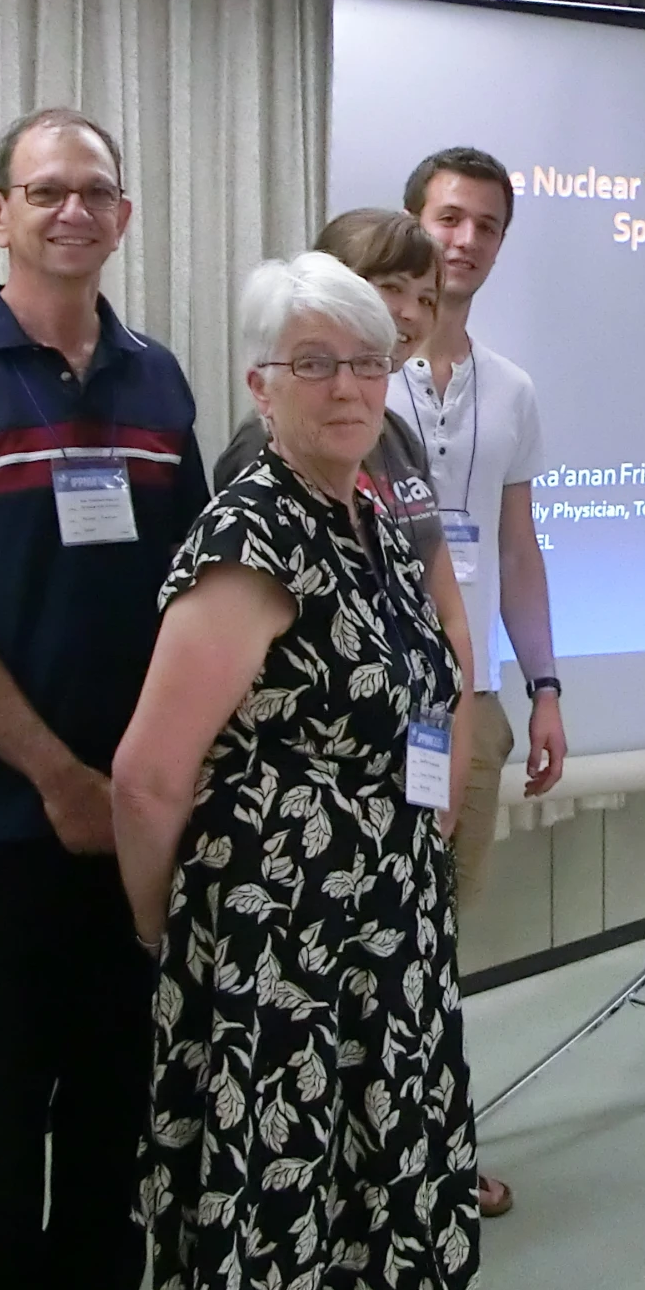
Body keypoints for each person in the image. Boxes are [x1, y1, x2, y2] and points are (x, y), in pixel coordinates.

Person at [114, 254, 480, 1290]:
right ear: (260, 387)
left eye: (368, 363)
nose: (348, 387)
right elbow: (145, 778)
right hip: (281, 946)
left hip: (386, 929)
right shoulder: (251, 534)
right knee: (289, 1210)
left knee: (372, 1199)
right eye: (313, 363)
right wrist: (168, 932)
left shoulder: (364, 515)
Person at [0, 107, 207, 1290]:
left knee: (118, 1096)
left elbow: (196, 598)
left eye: (96, 192)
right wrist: (61, 778)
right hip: (10, 824)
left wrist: (148, 782)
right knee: (7, 1106)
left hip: (142, 813)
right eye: (45, 191)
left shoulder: (157, 376)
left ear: (122, 216)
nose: (73, 211)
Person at [212, 209, 478, 867]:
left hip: (410, 765)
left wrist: (453, 757)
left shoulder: (393, 437)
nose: (411, 314)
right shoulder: (268, 447)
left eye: (426, 296)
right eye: (391, 288)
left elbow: (445, 609)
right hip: (308, 813)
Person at [392, 147, 567, 906]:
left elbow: (517, 551)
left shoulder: (512, 390)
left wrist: (546, 689)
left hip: (474, 697)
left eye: (487, 227)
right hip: (373, 694)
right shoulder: (356, 373)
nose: (466, 241)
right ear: (413, 225)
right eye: (450, 219)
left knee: (447, 929)